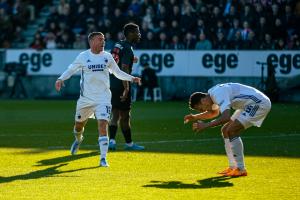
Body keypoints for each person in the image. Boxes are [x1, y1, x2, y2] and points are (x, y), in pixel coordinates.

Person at [55, 32, 141, 167]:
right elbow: (71, 69)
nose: (103, 42)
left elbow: (117, 72)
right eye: (100, 39)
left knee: (102, 125)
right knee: (78, 126)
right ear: (92, 41)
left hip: (103, 99)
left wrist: (132, 78)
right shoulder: (83, 56)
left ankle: (103, 158)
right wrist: (61, 79)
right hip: (86, 100)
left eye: (104, 40)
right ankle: (78, 140)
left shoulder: (107, 57)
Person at [184, 83, 271, 177]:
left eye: (201, 109)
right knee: (225, 130)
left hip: (258, 103)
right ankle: (233, 166)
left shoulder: (218, 94)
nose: (203, 111)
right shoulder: (211, 95)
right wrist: (195, 117)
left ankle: (241, 169)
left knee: (232, 130)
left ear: (203, 100)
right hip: (246, 105)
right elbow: (213, 113)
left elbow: (225, 117)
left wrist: (205, 125)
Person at [108, 23, 145, 151]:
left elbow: (114, 60)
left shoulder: (118, 44)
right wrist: (127, 88)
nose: (139, 34)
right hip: (121, 84)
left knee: (115, 114)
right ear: (130, 34)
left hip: (112, 83)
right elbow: (124, 68)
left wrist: (131, 59)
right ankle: (129, 144)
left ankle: (111, 142)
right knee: (125, 116)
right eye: (137, 32)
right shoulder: (128, 48)